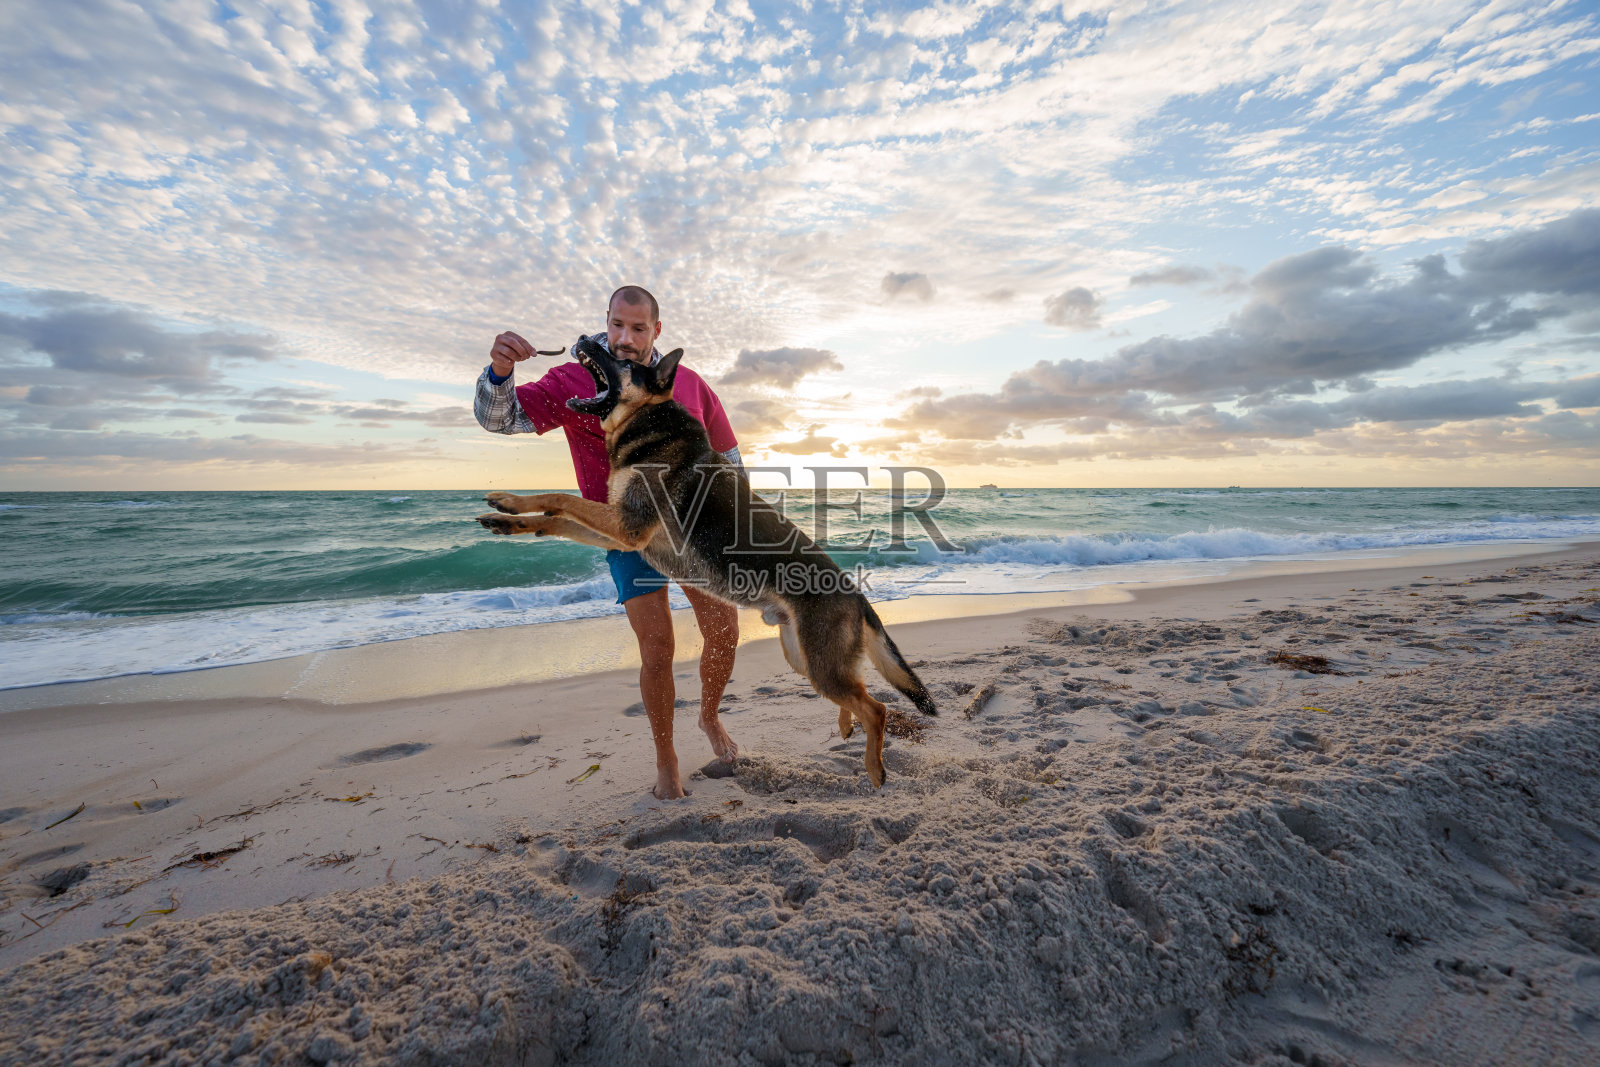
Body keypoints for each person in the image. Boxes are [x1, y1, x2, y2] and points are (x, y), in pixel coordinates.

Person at [474, 285, 742, 800]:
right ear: (607, 320)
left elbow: (729, 459)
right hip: (621, 530)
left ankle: (710, 717)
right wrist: (500, 372)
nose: (625, 337)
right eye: (618, 324)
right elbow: (498, 419)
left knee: (725, 629)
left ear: (655, 331)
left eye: (638, 328)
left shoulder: (686, 384)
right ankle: (667, 760)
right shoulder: (574, 376)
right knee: (658, 647)